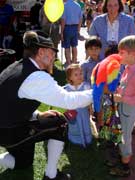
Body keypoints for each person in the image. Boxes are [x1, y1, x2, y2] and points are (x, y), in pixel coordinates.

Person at [0, 30, 93, 180]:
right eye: (53, 51)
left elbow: (12, 101)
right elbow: (68, 100)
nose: (54, 56)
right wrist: (97, 93)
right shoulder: (36, 76)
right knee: (60, 123)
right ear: (42, 51)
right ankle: (51, 175)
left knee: (23, 163)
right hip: (10, 130)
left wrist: (37, 115)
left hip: (7, 128)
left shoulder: (18, 65)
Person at [109, 35, 135, 177]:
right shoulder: (129, 67)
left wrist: (123, 97)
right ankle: (122, 156)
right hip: (122, 109)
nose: (118, 55)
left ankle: (125, 166)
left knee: (125, 137)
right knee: (121, 133)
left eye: (121, 52)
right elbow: (125, 85)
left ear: (132, 54)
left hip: (128, 111)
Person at [64, 64, 92, 147]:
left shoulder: (86, 86)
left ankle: (87, 139)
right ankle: (76, 140)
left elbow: (89, 99)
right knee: (74, 127)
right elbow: (65, 102)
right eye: (76, 75)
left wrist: (90, 108)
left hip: (83, 112)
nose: (79, 76)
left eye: (80, 73)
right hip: (73, 113)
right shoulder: (66, 89)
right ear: (70, 77)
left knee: (85, 125)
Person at [61, 0, 83, 66]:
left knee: (67, 46)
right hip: (75, 27)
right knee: (74, 46)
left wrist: (61, 32)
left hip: (67, 27)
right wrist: (78, 30)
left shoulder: (64, 5)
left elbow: (63, 19)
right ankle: (74, 61)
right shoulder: (78, 5)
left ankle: (68, 62)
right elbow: (80, 19)